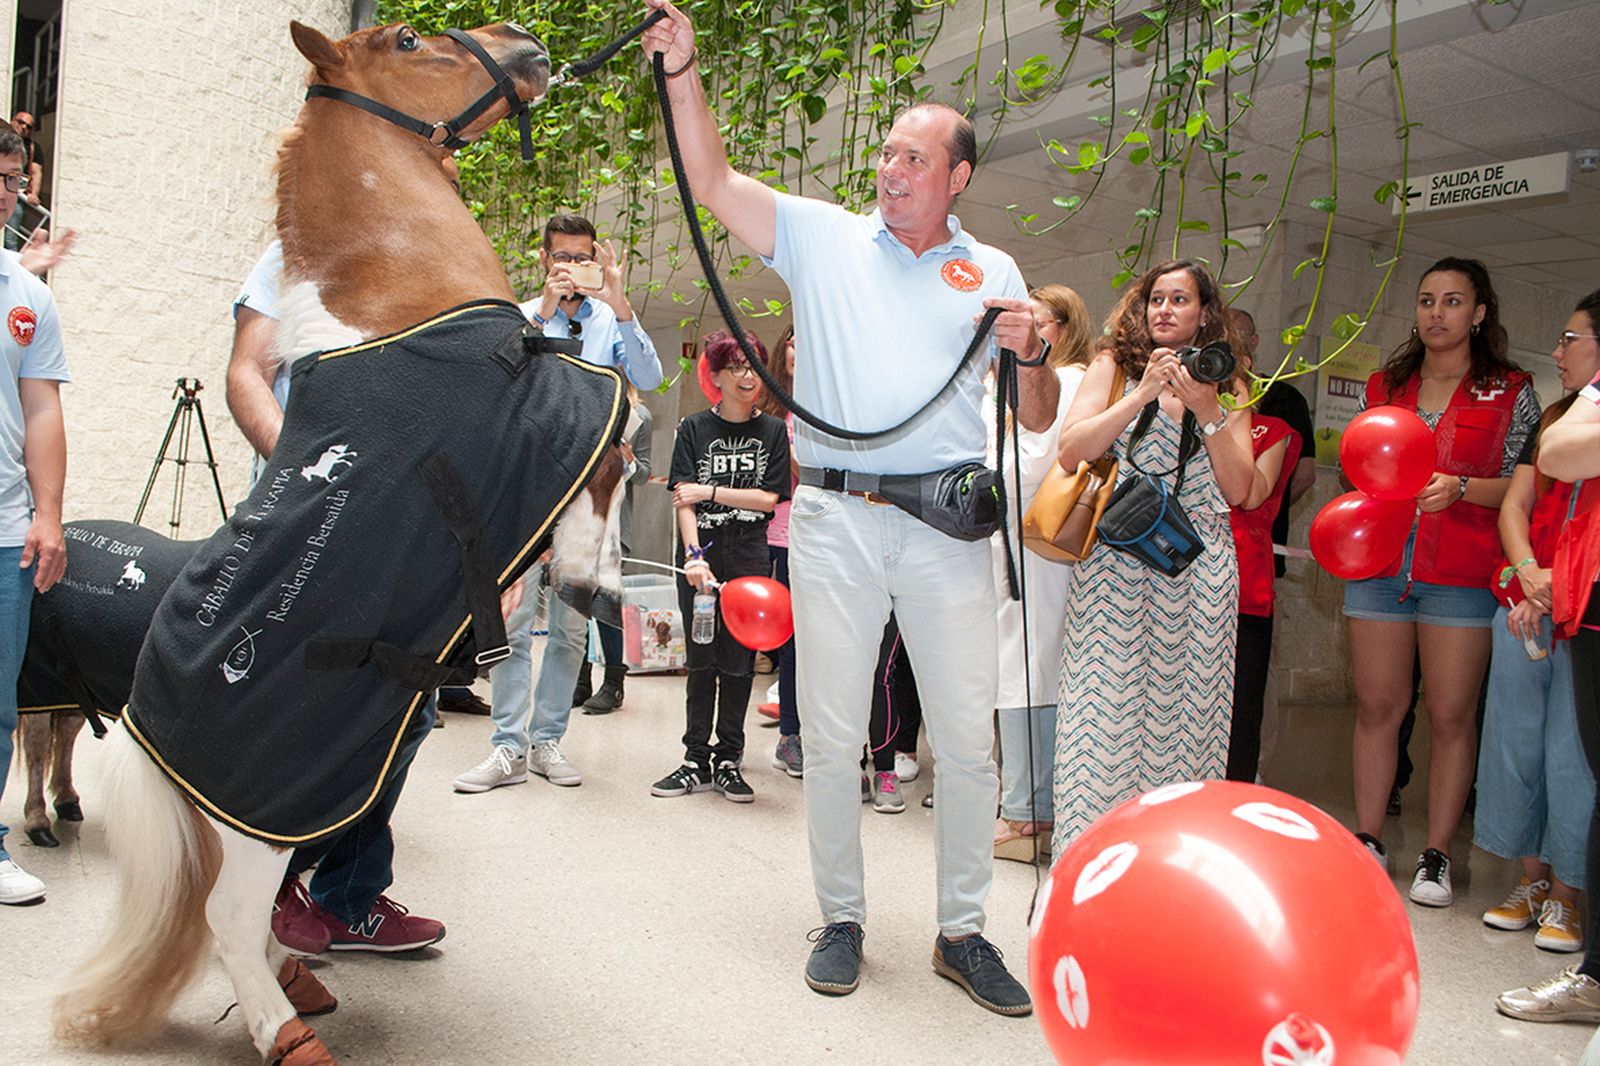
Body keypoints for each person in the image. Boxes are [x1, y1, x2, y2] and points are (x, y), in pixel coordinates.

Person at [643, 0, 1059, 1016]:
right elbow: (711, 182)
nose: (891, 169)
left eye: (916, 159)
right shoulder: (824, 238)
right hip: (829, 520)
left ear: (957, 177)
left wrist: (1038, 350)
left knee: (964, 739)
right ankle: (840, 916)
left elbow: (1035, 412)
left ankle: (962, 931)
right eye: (886, 153)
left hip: (942, 530)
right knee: (828, 735)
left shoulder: (991, 270)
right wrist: (685, 72)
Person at [225, 236, 448, 952]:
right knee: (301, 713)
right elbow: (247, 374)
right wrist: (306, 474)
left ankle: (349, 896)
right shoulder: (293, 253)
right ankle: (267, 886)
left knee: (404, 714)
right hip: (309, 520)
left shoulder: (428, 256)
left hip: (400, 526)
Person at [1342, 257, 1539, 908]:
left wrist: (1462, 487)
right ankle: (1367, 839)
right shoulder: (1386, 383)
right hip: (1379, 567)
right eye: (1427, 300)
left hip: (1459, 572)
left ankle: (1437, 853)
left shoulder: (1511, 389)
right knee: (1377, 707)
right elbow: (1360, 466)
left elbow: (1529, 483)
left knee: (1451, 714)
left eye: (1453, 301)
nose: (1437, 313)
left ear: (1480, 313)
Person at [452, 212, 663, 792]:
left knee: (570, 628)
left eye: (583, 257)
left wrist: (621, 304)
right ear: (545, 260)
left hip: (587, 494)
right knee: (514, 622)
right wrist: (544, 313)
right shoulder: (523, 316)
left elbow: (651, 374)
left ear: (597, 260)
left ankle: (547, 741)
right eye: (562, 257)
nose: (572, 267)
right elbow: (496, 384)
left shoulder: (612, 320)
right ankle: (506, 749)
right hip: (526, 487)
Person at [1052, 259, 1254, 850]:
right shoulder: (1113, 366)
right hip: (1115, 567)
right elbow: (1071, 451)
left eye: (1179, 300)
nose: (1164, 309)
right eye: (1155, 299)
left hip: (1200, 573)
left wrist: (1208, 410)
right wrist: (1141, 395)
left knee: (1188, 731)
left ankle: (1170, 873)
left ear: (1203, 314)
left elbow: (1239, 490)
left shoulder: (1229, 383)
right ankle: (1084, 864)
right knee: (1099, 723)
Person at [1477, 292, 1600, 955]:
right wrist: (1528, 571)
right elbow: (1515, 504)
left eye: (1571, 339)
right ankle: (1529, 882)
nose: (1558, 352)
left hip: (1580, 610)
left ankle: (1571, 894)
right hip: (1523, 605)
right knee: (1513, 747)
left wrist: (1558, 585)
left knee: (1570, 756)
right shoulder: (1552, 423)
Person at [651, 330, 789, 802]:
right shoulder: (693, 428)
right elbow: (680, 500)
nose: (747, 375)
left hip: (749, 553)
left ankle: (729, 757)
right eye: (736, 366)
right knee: (702, 659)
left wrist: (710, 491)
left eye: (753, 365)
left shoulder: (772, 430)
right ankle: (696, 759)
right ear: (715, 376)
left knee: (739, 663)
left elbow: (768, 500)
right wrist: (692, 558)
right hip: (701, 557)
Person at [989, 284, 1093, 861]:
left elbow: (1038, 458)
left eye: (1036, 321)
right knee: (1015, 665)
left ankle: (1030, 813)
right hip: (1000, 539)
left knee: (1029, 667)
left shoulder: (1070, 378)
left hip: (1038, 539)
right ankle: (1026, 803)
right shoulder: (998, 379)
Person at [0, 124, 66, 906]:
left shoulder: (27, 296)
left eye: (15, 179)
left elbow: (41, 409)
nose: (6, 191)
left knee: (0, 699)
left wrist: (47, 514)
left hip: (5, 532)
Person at [1224, 344, 1302, 783]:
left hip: (1244, 590)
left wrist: (1232, 408)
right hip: (1179, 583)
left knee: (1240, 716)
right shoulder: (1176, 419)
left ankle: (1233, 802)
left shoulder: (1274, 429)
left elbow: (1251, 493)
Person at [582, 383, 653, 715]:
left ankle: (613, 683)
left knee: (606, 602)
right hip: (576, 520)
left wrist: (630, 461)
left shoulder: (639, 416)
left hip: (614, 522)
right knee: (573, 602)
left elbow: (644, 475)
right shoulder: (580, 404)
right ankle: (579, 680)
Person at [759, 325, 803, 775]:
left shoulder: (829, 407)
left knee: (814, 644)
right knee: (787, 641)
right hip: (774, 539)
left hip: (820, 540)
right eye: (792, 341)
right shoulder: (768, 412)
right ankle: (790, 735)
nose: (798, 351)